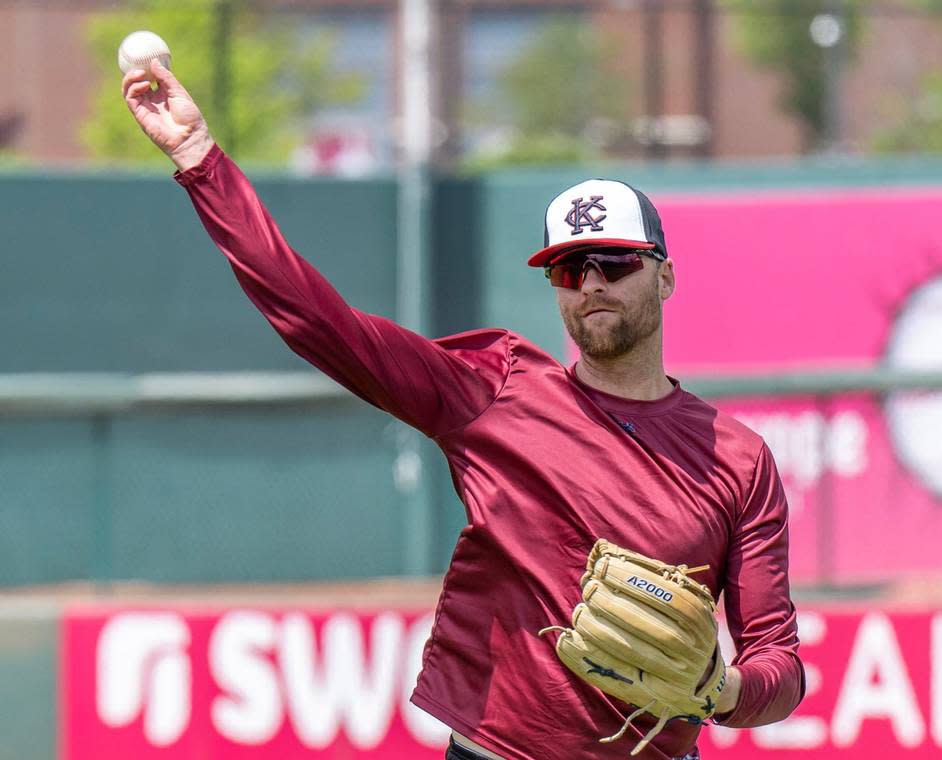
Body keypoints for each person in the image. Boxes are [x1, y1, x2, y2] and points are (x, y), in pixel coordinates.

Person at [122, 59, 804, 760]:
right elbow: (317, 320)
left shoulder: (737, 457)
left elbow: (779, 666)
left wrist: (722, 691)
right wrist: (200, 160)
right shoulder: (496, 394)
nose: (593, 283)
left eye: (616, 262)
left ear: (664, 275)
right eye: (571, 269)